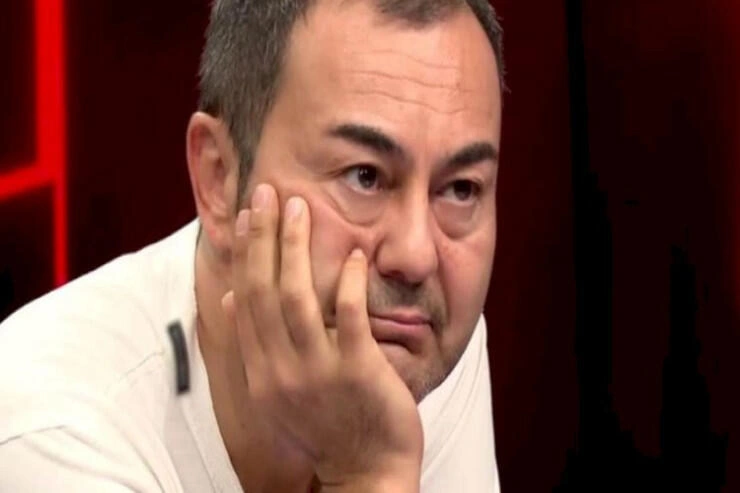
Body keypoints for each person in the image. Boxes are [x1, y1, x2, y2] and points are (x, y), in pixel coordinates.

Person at [0, 0, 505, 491]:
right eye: (365, 176)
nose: (416, 257)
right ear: (219, 177)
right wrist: (369, 472)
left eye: (461, 189)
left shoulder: (406, 340)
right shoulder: (50, 430)